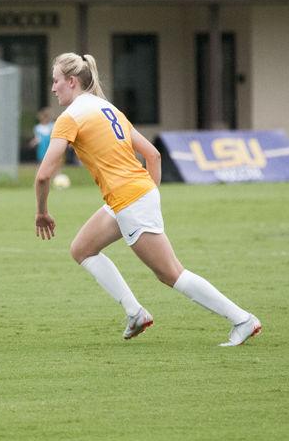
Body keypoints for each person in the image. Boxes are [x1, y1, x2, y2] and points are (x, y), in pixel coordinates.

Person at [34, 52, 261, 346]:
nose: (53, 89)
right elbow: (152, 155)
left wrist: (42, 212)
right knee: (82, 249)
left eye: (55, 81)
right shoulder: (108, 109)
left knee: (170, 274)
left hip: (130, 199)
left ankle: (242, 319)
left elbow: (43, 175)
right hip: (132, 196)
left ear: (72, 81)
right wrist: (149, 194)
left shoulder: (69, 118)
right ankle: (135, 313)